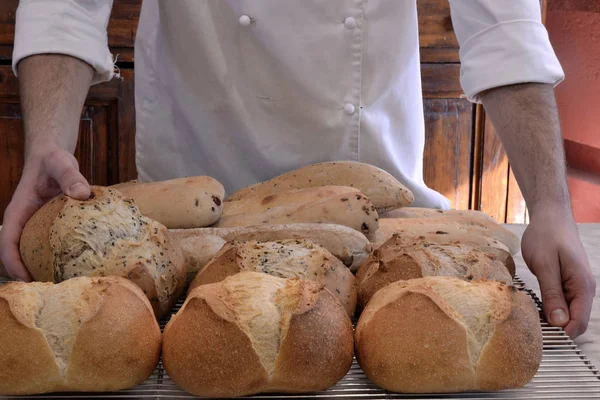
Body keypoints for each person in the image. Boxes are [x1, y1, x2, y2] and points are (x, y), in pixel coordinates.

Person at [0, 0, 595, 338]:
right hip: (182, 225)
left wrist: (548, 205)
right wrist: (47, 146)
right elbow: (64, 4)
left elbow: (502, 26)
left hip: (376, 210)